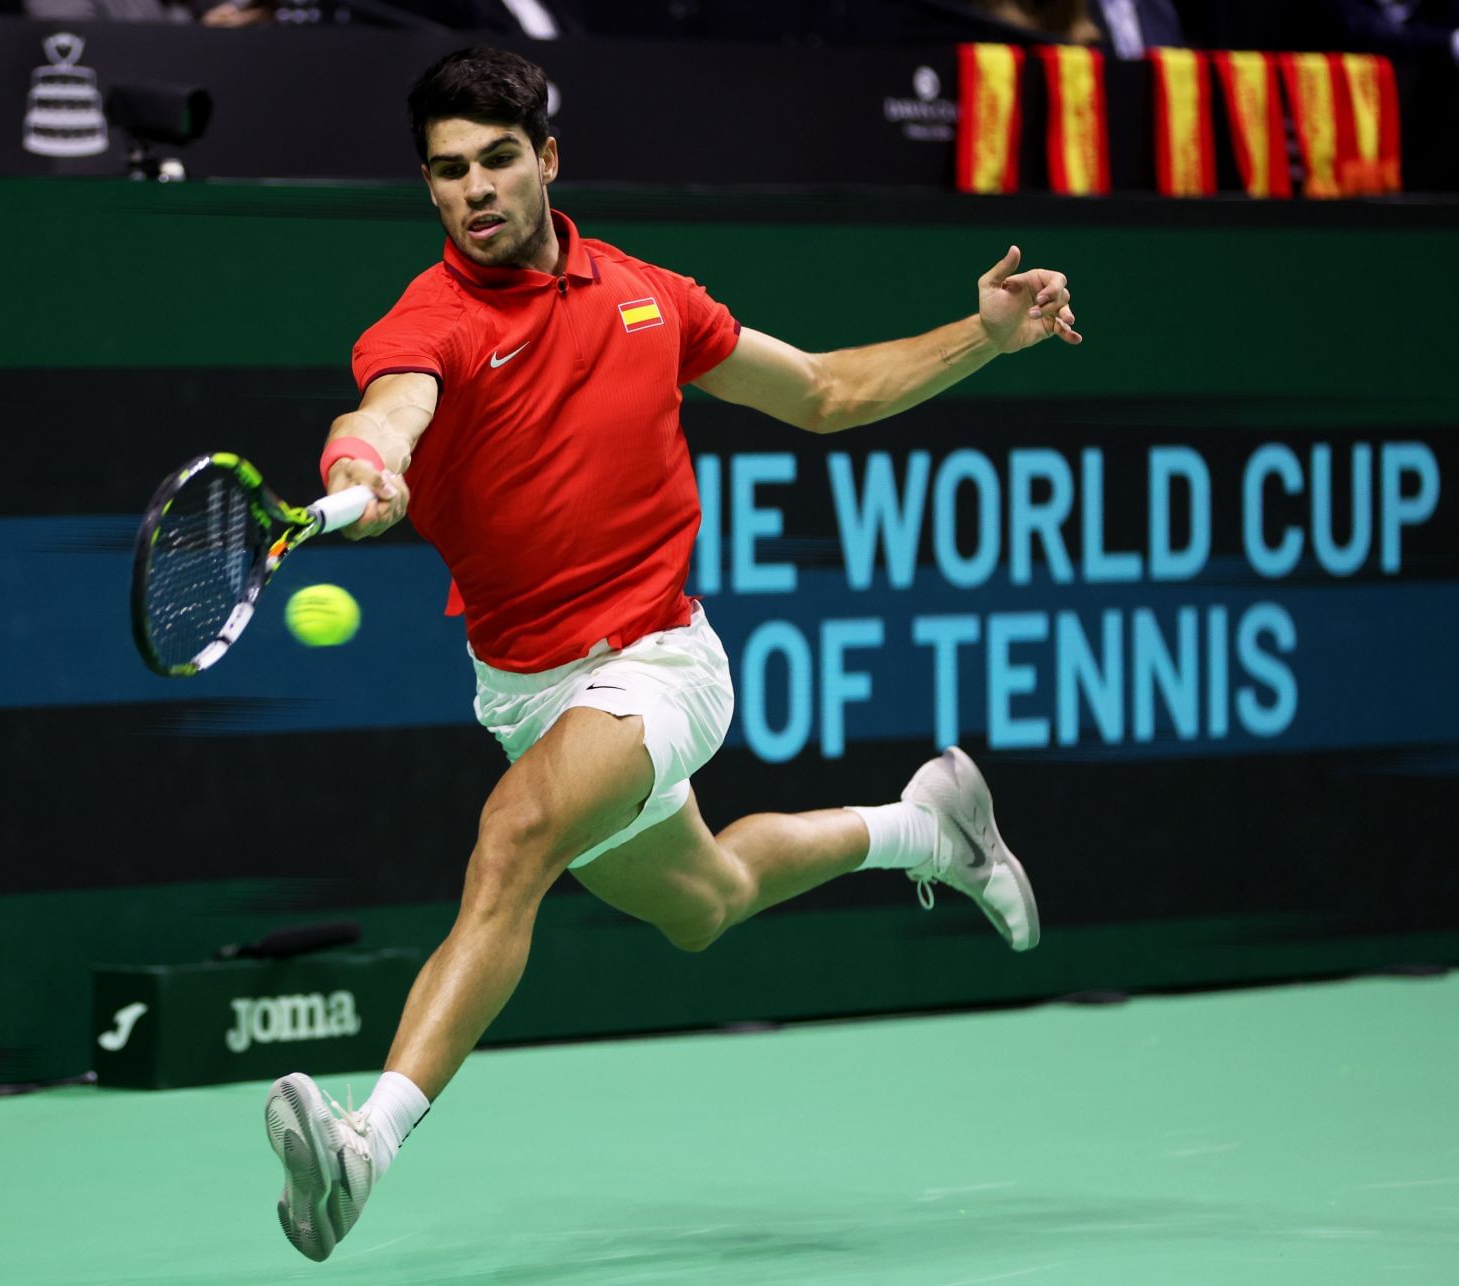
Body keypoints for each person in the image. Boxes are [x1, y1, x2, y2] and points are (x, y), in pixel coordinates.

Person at [262, 46, 1081, 1263]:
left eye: (497, 160)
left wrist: (983, 334)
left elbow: (823, 392)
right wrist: (362, 469)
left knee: (514, 840)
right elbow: (385, 412)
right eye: (447, 172)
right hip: (528, 691)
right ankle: (930, 826)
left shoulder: (651, 297)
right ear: (427, 187)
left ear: (546, 158)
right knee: (707, 904)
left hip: (660, 661)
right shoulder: (424, 323)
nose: (475, 190)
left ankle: (364, 1143)